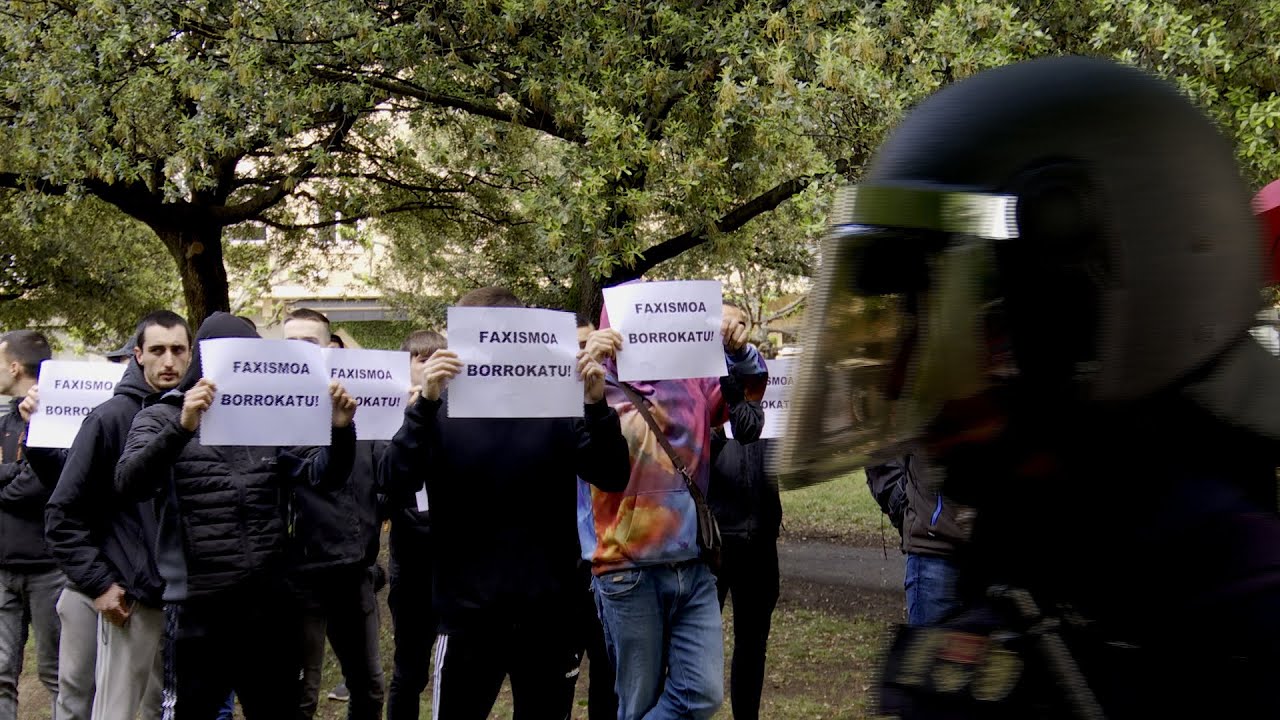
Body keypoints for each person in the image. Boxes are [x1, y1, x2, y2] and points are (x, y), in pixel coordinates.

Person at [778, 56, 1280, 717]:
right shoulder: (1056, 568)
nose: (904, 375)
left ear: (1080, 322)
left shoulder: (1240, 607)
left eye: (957, 323)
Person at [382, 286, 630, 720]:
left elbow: (612, 475)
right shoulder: (440, 407)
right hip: (467, 617)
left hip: (549, 617)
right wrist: (423, 405)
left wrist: (595, 406)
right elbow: (394, 480)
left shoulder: (557, 403)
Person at [114, 312, 358, 719]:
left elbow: (322, 477)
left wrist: (340, 431)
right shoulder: (159, 415)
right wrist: (182, 426)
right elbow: (129, 484)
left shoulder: (270, 418)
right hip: (198, 606)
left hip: (269, 605)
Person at [580, 297, 767, 720]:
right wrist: (587, 369)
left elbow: (749, 395)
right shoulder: (594, 383)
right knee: (638, 702)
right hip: (626, 569)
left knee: (701, 694)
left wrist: (739, 352)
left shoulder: (693, 381)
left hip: (694, 561)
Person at [44, 311, 192, 720]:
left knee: (156, 709)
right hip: (124, 595)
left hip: (174, 597)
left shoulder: (195, 415)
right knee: (102, 707)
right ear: (138, 354)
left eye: (178, 350)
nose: (169, 361)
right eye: (158, 350)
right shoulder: (109, 419)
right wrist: (100, 583)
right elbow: (62, 513)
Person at [281, 308, 385, 720]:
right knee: (301, 693)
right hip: (299, 575)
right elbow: (317, 474)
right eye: (289, 345)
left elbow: (386, 481)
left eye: (308, 344)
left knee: (369, 687)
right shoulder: (273, 413)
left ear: (330, 349)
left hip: (353, 572)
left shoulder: (367, 412)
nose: (298, 354)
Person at [706, 306, 781, 720]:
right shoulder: (698, 382)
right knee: (699, 642)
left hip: (760, 536)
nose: (732, 331)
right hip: (713, 539)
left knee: (754, 642)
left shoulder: (762, 379)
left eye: (739, 324)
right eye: (725, 324)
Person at [0, 330, 62, 719]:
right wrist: (14, 473)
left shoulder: (58, 418)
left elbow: (38, 486)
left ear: (14, 366)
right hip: (3, 569)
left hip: (50, 569)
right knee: (1, 672)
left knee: (58, 673)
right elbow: (20, 478)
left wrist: (8, 476)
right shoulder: (6, 419)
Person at [382, 330, 442, 720]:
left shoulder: (458, 414)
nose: (431, 364)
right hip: (412, 563)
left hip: (455, 563)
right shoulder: (389, 417)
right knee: (409, 671)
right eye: (422, 359)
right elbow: (386, 486)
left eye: (439, 356)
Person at [570, 315, 617, 720]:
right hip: (560, 571)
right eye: (573, 348)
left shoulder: (606, 406)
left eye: (588, 345)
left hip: (605, 565)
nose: (581, 356)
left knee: (608, 676)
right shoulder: (538, 415)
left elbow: (615, 471)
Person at [865, 452, 971, 626]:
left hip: (1005, 559)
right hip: (937, 555)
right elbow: (877, 442)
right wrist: (898, 498)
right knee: (932, 651)